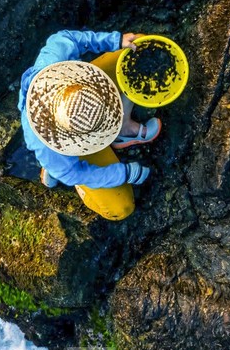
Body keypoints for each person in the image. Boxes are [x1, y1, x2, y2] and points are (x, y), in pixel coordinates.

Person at [19, 29, 162, 221]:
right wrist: (124, 173)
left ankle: (122, 126)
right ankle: (53, 172)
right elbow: (73, 174)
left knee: (140, 46)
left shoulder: (48, 72)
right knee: (122, 208)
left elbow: (65, 38)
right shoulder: (49, 149)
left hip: (84, 89)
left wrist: (116, 40)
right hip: (70, 154)